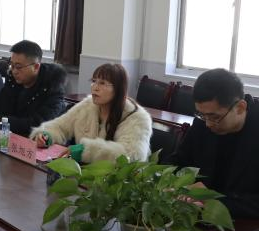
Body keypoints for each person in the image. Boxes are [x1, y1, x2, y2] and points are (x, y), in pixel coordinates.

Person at [164, 69, 259, 218]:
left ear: (240, 108)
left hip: (244, 223)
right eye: (202, 115)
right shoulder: (202, 122)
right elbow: (178, 161)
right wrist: (176, 183)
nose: (208, 124)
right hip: (198, 216)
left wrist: (212, 200)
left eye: (214, 117)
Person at [31, 63, 152, 163]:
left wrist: (86, 151)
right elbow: (60, 126)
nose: (95, 87)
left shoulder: (138, 118)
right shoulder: (87, 105)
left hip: (117, 180)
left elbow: (132, 154)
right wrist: (46, 135)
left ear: (118, 89)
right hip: (82, 172)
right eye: (94, 81)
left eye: (102, 83)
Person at [0, 40, 66, 137]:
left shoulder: (53, 89)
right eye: (12, 65)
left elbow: (38, 124)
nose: (14, 71)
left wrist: (1, 121)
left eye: (18, 67)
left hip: (41, 142)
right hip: (11, 137)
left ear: (36, 67)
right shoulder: (13, 81)